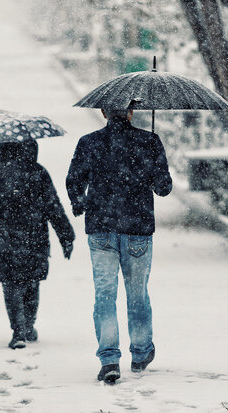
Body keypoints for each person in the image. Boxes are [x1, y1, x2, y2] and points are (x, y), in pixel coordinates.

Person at [66, 108, 172, 383]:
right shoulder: (149, 141)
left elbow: (74, 181)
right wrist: (149, 167)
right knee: (137, 295)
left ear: (103, 112)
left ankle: (110, 359)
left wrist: (81, 203)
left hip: (102, 228)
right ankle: (140, 353)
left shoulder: (89, 142)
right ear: (131, 112)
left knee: (105, 295)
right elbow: (163, 187)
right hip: (137, 228)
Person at [0, 139, 75, 349]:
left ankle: (17, 330)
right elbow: (53, 206)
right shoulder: (38, 172)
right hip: (34, 237)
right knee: (31, 281)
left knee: (11, 284)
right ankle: (28, 325)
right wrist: (66, 235)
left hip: (2, 238)